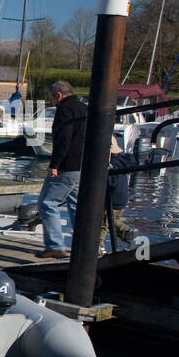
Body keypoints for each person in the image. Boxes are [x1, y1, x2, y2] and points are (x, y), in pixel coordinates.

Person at [36, 81, 88, 258]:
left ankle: (55, 245)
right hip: (82, 165)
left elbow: (64, 139)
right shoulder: (84, 108)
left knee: (47, 202)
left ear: (58, 95)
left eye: (51, 97)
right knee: (75, 205)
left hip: (67, 165)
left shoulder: (64, 109)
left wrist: (54, 164)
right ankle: (84, 245)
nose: (51, 101)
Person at [100, 134, 138, 251]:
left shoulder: (112, 165)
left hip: (113, 198)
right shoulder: (122, 161)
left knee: (102, 224)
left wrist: (105, 172)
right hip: (122, 198)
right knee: (110, 222)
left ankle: (98, 248)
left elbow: (112, 181)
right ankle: (127, 235)